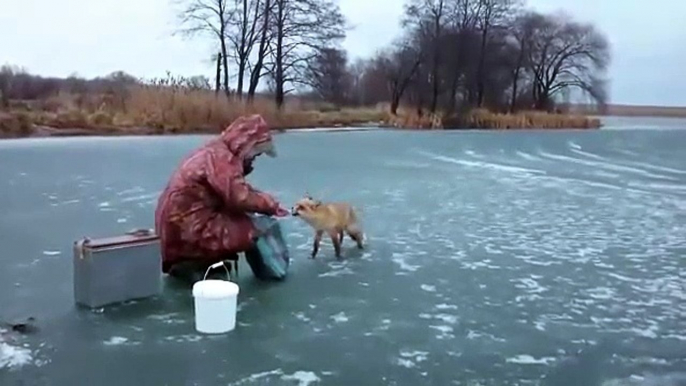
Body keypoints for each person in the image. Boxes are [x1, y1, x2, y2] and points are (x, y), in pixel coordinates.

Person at [154, 114, 289, 284]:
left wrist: (262, 198)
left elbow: (232, 188)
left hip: (177, 226)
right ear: (248, 146)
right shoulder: (223, 159)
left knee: (238, 218)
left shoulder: (214, 150)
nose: (254, 158)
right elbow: (240, 197)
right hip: (191, 229)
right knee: (258, 227)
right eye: (256, 153)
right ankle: (271, 273)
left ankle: (193, 262)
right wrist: (270, 205)